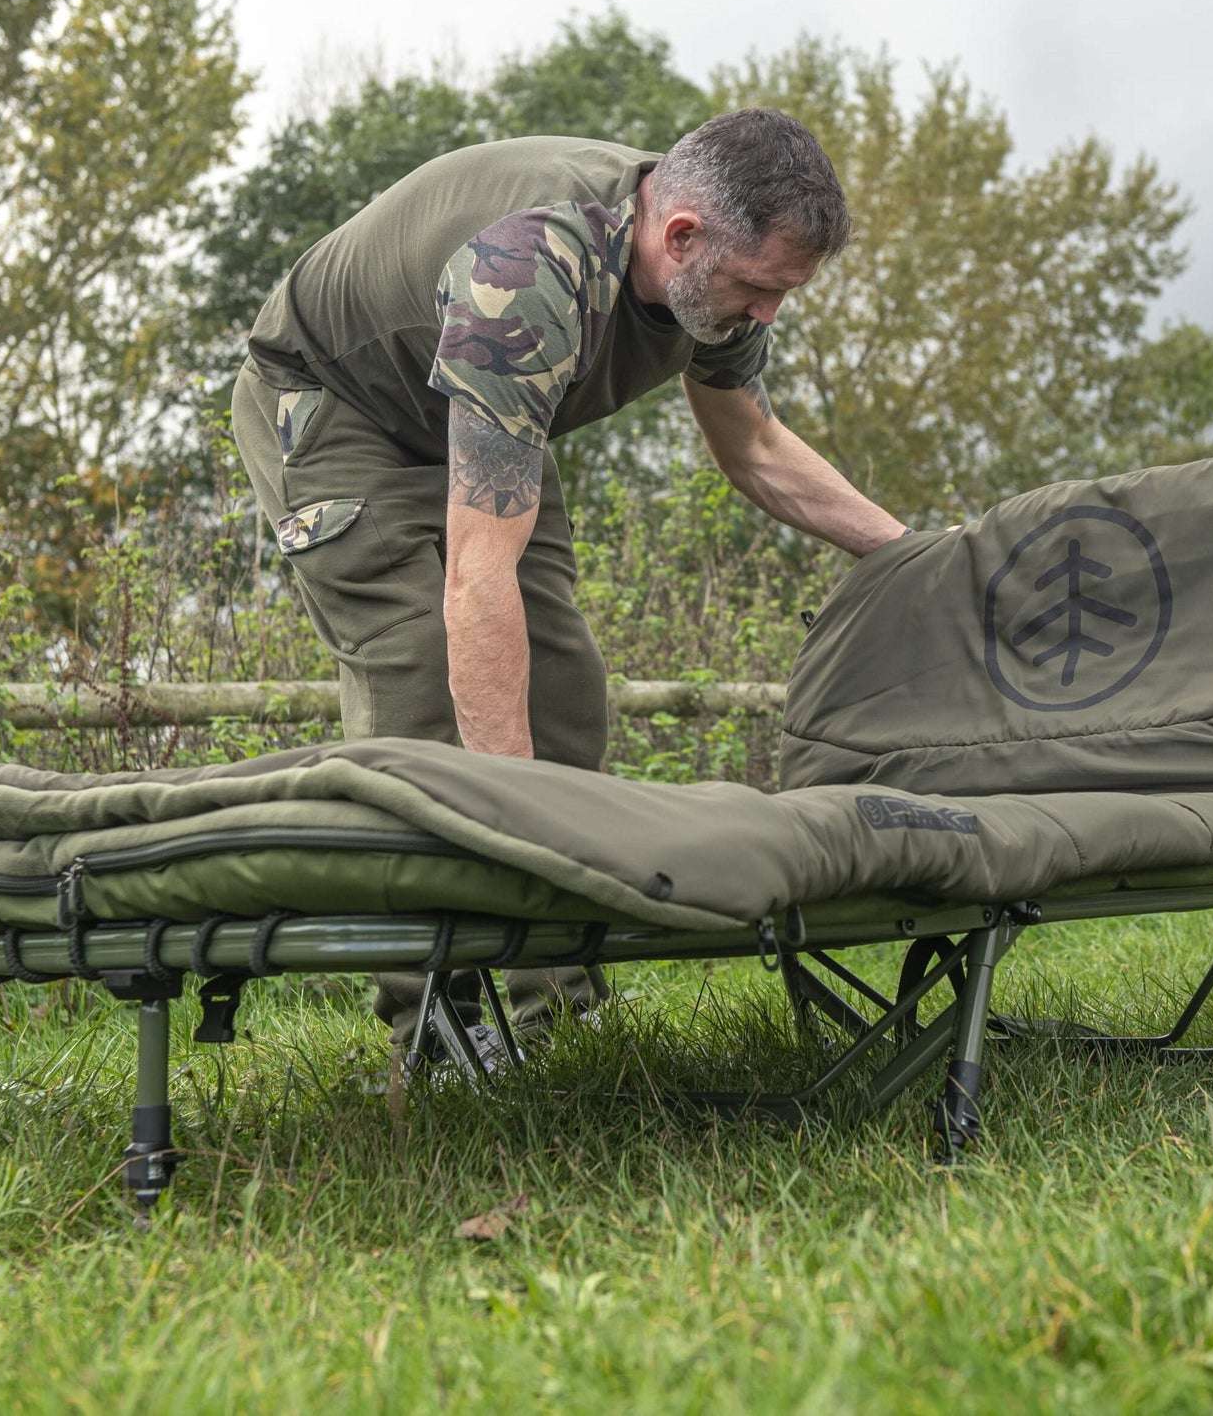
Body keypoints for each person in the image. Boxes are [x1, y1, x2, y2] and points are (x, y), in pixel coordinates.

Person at [231, 108, 909, 1055]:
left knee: (562, 685)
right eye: (761, 289)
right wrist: (514, 824)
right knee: (419, 677)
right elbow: (475, 582)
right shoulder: (533, 269)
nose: (768, 316)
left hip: (489, 414)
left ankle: (562, 1009)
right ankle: (439, 1014)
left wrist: (910, 554)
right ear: (680, 236)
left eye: (783, 292)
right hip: (337, 406)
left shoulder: (709, 278)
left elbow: (755, 447)